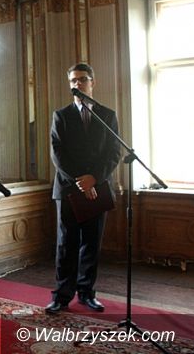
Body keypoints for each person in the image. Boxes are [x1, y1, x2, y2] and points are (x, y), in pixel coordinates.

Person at [46, 63, 120, 314]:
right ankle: (61, 295)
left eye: (82, 79)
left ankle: (87, 293)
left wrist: (94, 179)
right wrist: (81, 180)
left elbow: (114, 153)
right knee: (66, 243)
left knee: (91, 242)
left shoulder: (107, 115)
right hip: (68, 188)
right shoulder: (61, 115)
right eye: (73, 80)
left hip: (98, 187)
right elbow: (57, 153)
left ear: (92, 82)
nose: (77, 84)